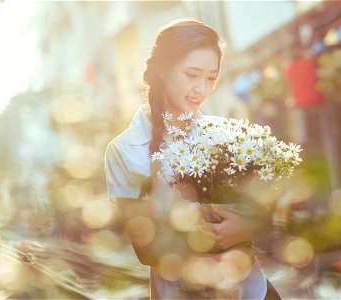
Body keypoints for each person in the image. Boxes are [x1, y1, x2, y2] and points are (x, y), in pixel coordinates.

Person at [105, 18, 280, 299]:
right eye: (191, 74)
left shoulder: (228, 134)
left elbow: (267, 212)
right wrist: (206, 234)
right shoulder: (124, 150)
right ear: (162, 69)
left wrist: (249, 226)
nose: (202, 88)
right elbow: (145, 250)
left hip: (251, 291)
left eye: (211, 78)